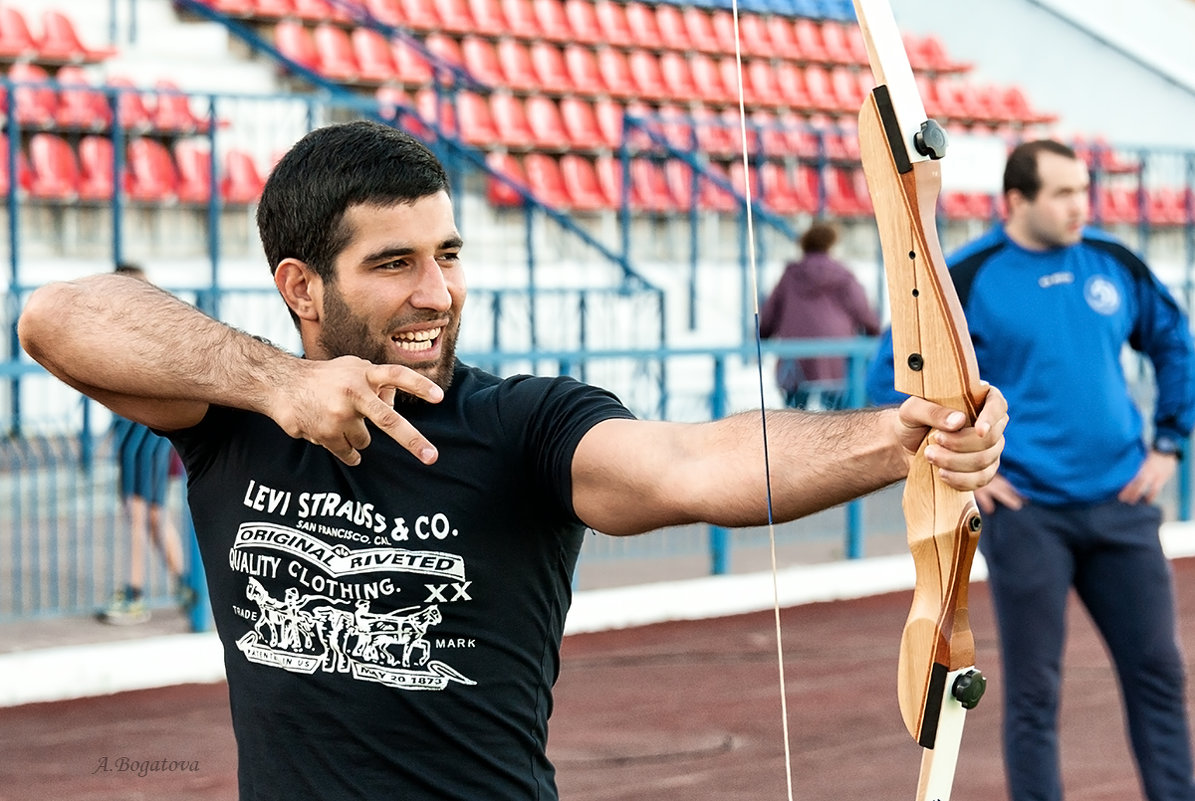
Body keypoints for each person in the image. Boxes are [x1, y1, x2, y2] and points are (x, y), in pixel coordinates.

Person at [18, 120, 1007, 801]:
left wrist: (893, 436)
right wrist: (277, 383)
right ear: (302, 288)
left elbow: (687, 465)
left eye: (448, 254)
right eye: (394, 263)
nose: (438, 293)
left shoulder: (523, 425)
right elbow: (56, 318)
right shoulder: (235, 414)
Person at [866, 139, 1195, 801]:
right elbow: (893, 382)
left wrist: (1168, 444)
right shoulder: (965, 276)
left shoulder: (1113, 261)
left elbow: (1172, 340)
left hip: (1121, 503)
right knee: (1033, 692)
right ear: (1016, 200)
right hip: (1027, 516)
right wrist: (974, 473)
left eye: (1083, 189)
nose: (1082, 204)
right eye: (1063, 192)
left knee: (1158, 673)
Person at [100, 262, 188, 625]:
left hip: (144, 436)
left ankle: (134, 594)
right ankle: (187, 587)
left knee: (141, 515)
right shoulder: (126, 334)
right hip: (139, 436)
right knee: (151, 516)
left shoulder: (139, 336)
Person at [760, 220, 881, 410]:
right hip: (837, 358)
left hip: (795, 360)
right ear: (832, 245)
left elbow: (769, 316)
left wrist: (762, 336)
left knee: (795, 418)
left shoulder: (790, 276)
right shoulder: (843, 275)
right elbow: (863, 313)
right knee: (839, 419)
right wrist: (875, 334)